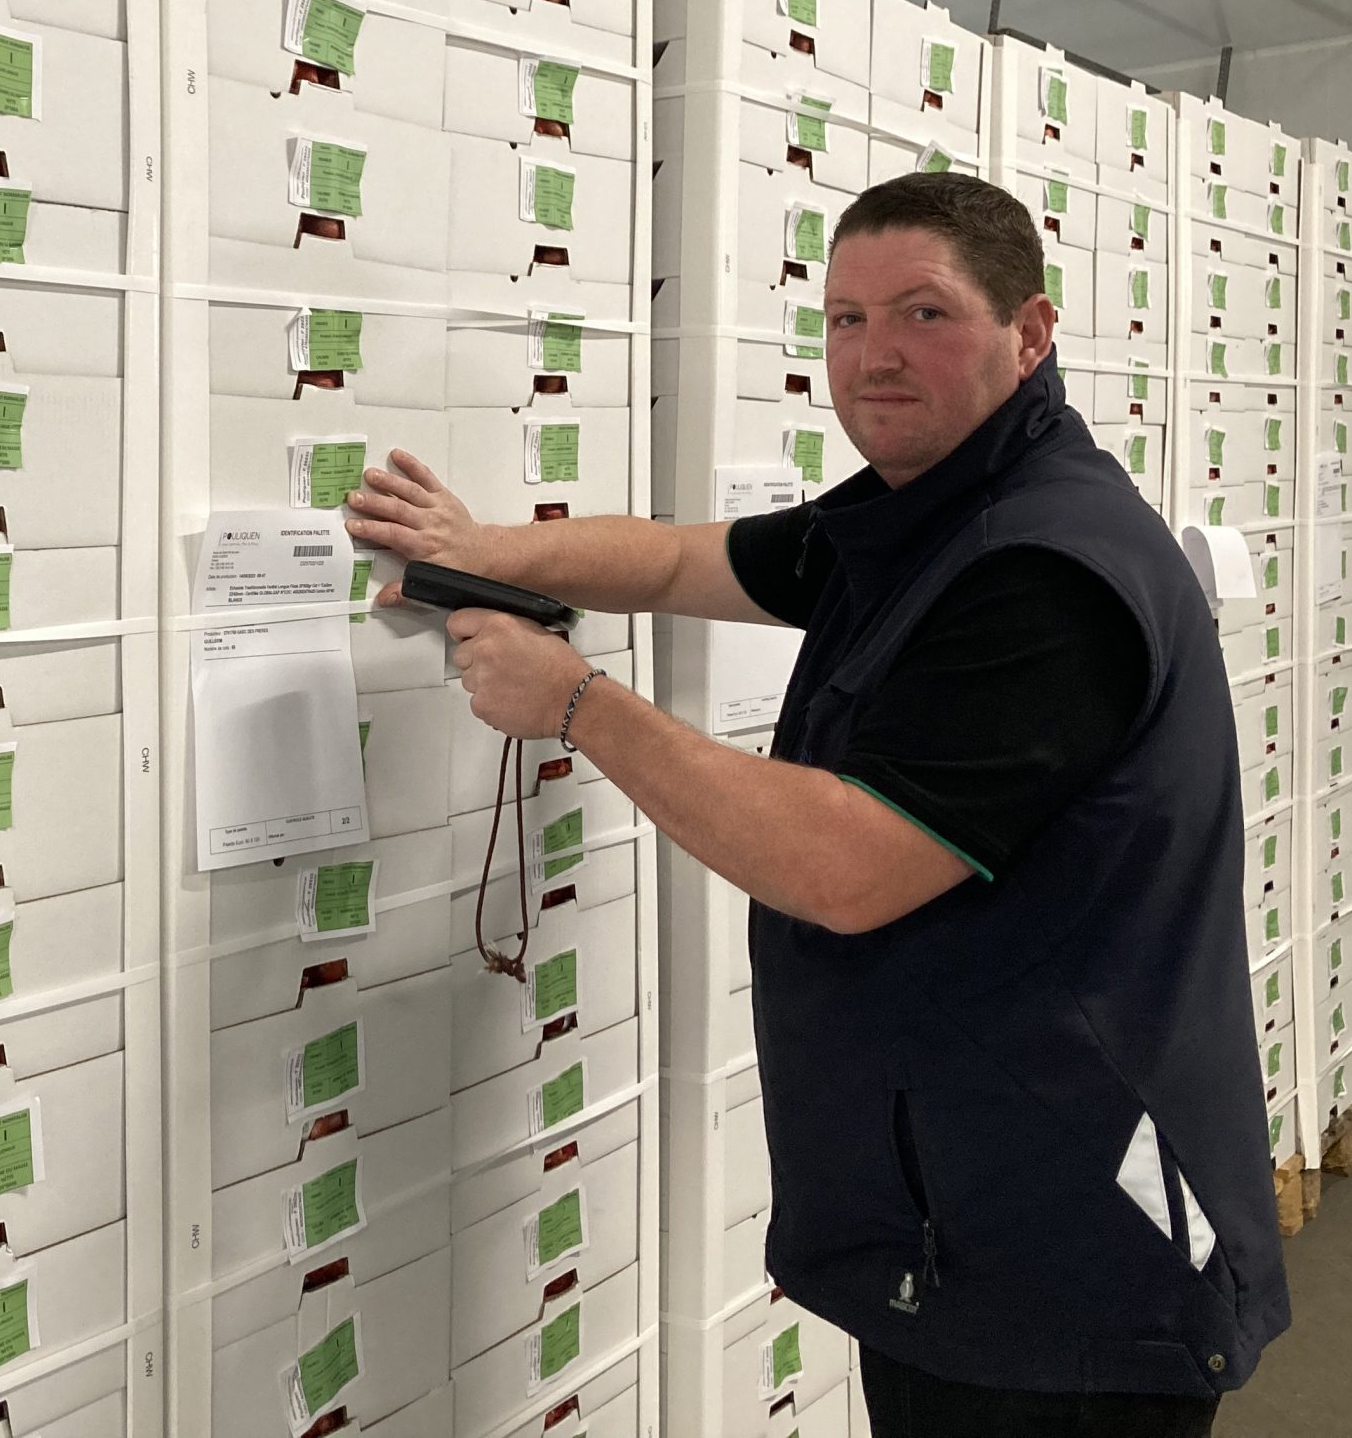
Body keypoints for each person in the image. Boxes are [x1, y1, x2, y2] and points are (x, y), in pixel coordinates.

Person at [347, 172, 1286, 1436]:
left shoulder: (1043, 572)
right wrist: (480, 550)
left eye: (922, 314)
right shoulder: (930, 507)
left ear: (1031, 331)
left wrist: (576, 702)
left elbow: (850, 868)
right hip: (964, 1183)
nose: (874, 356)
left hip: (1060, 1226)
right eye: (845, 320)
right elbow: (689, 560)